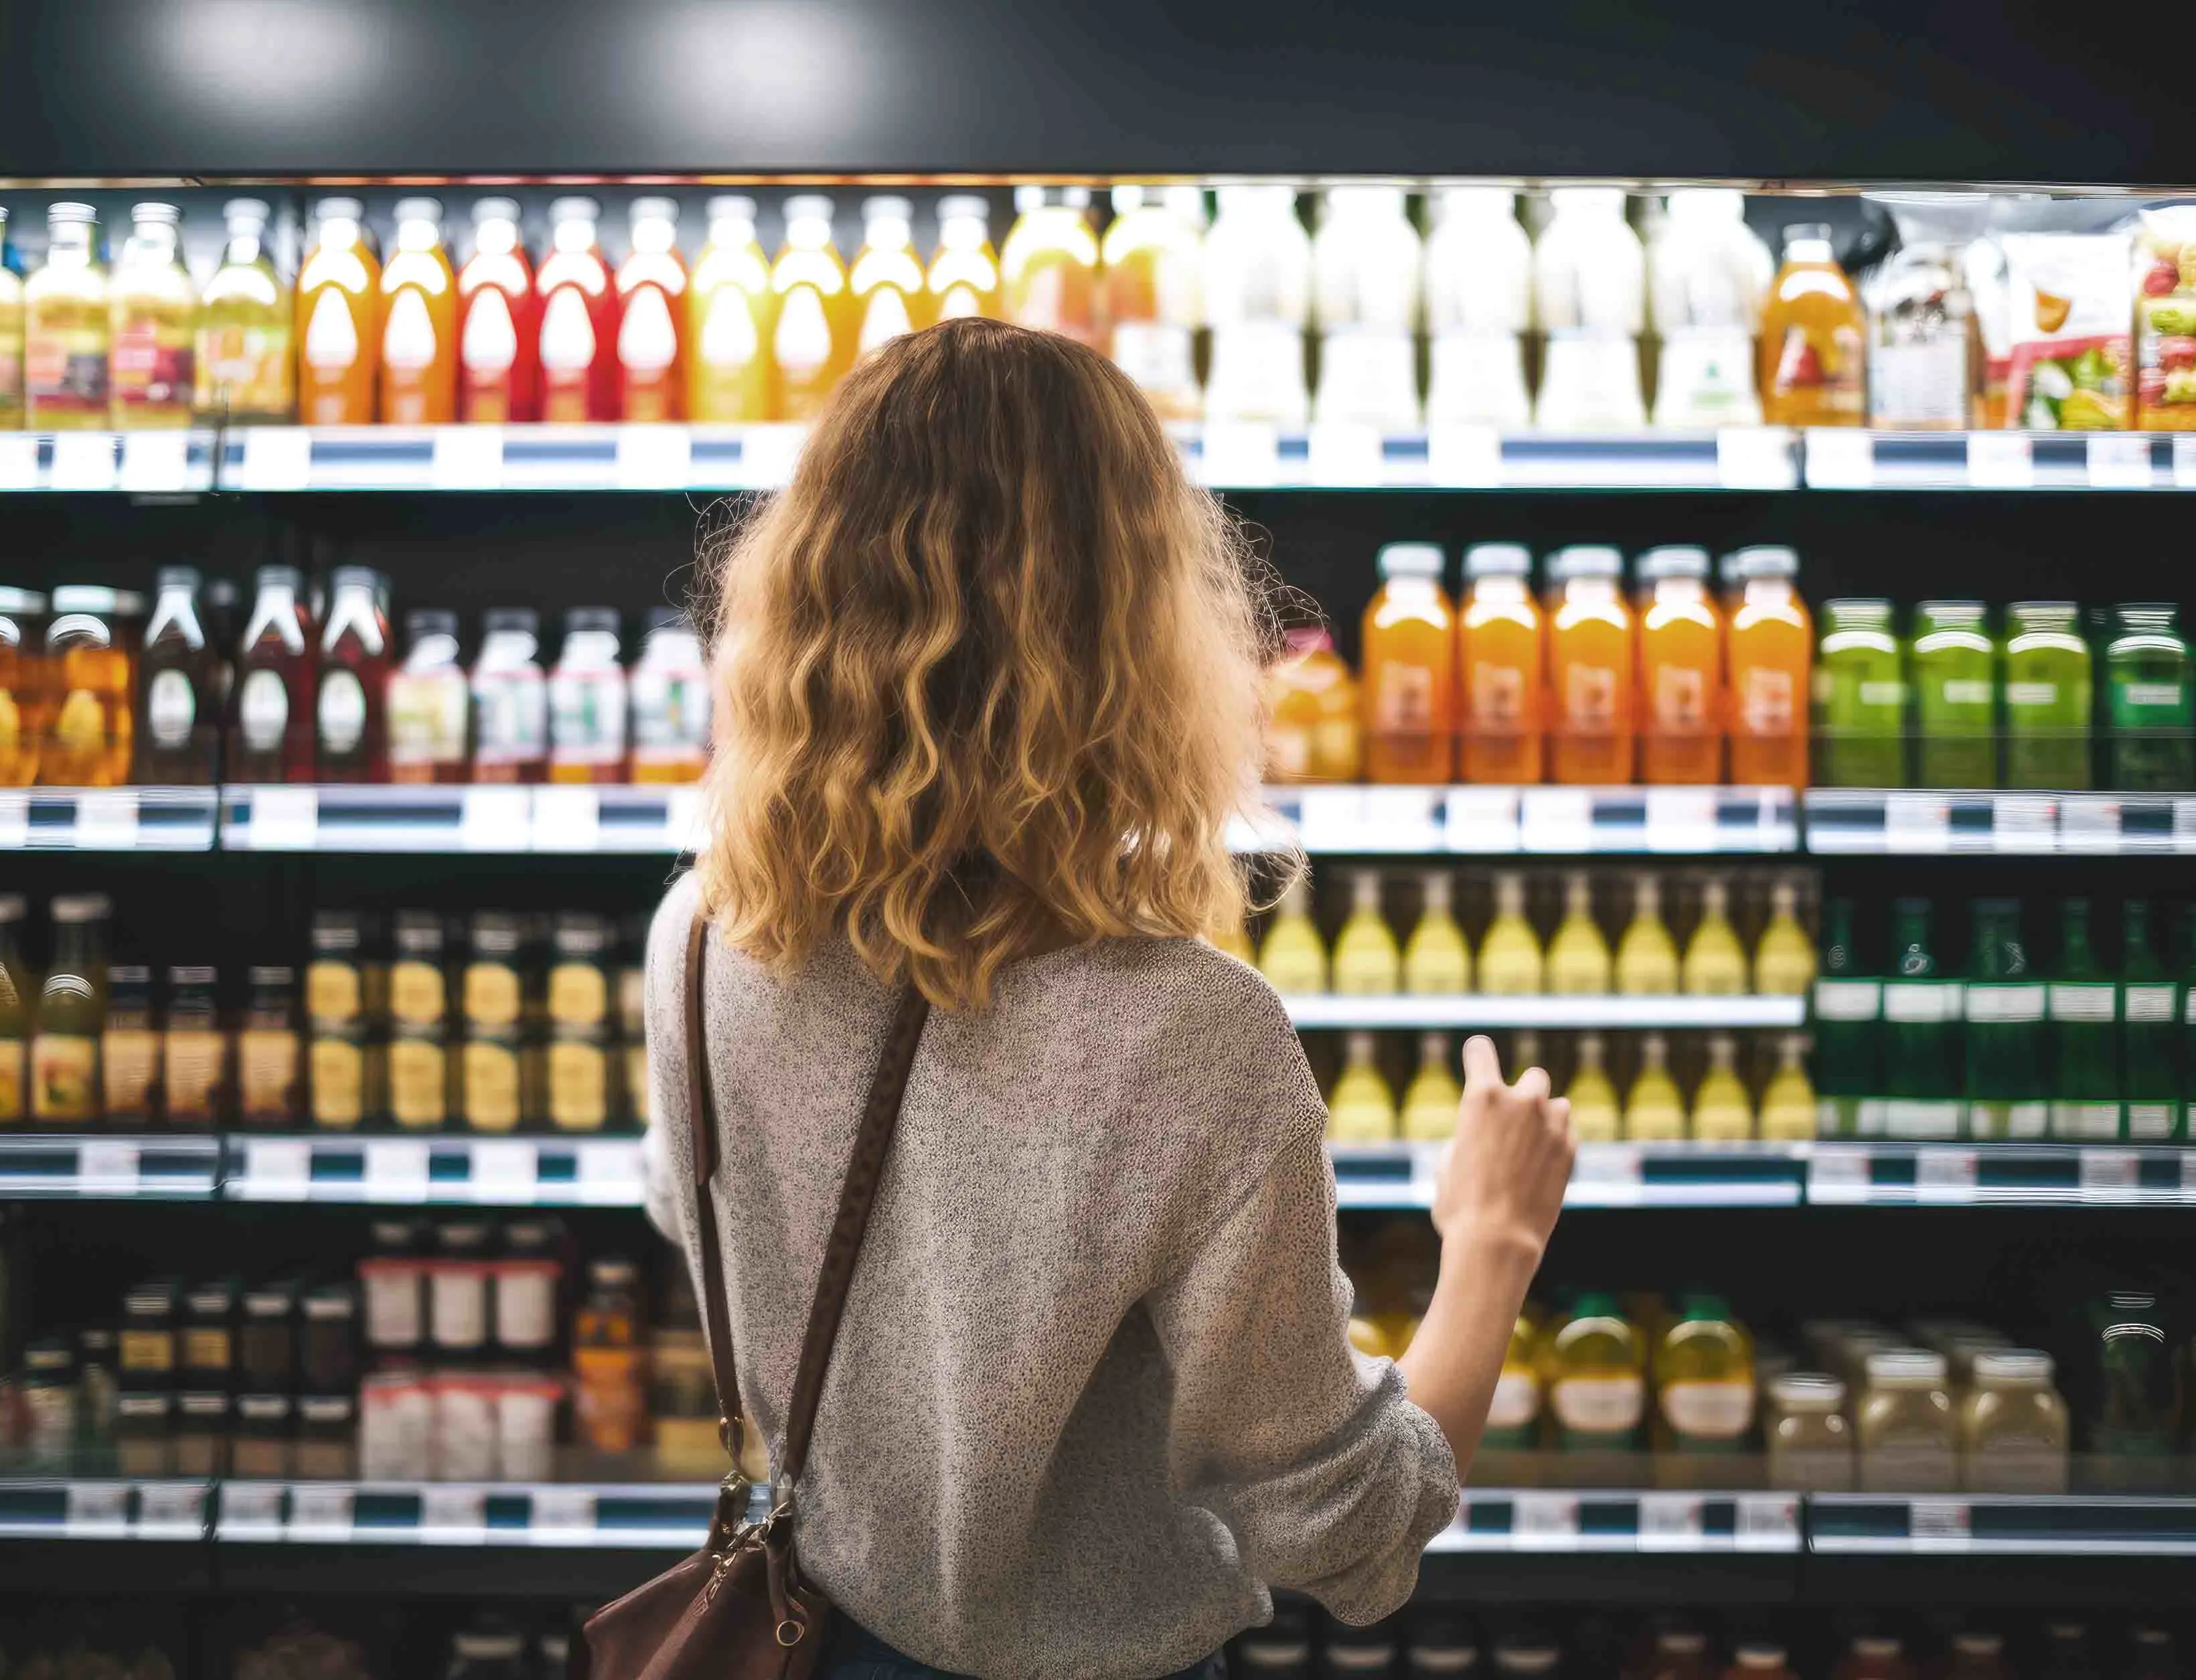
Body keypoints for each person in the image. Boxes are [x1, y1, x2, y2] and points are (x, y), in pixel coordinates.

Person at [643, 315, 1573, 1680]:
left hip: (807, 1633)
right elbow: (1348, 1534)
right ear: (1135, 629)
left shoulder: (699, 935)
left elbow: (702, 1219)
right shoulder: (1188, 1032)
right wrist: (1492, 1241)